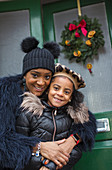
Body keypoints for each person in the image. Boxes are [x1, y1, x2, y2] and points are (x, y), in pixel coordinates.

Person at [0, 37, 80, 170]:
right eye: (35, 75)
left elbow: (85, 120)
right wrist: (38, 147)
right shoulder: (6, 93)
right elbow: (3, 140)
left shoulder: (53, 93)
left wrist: (72, 141)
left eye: (47, 77)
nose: (41, 82)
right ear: (25, 75)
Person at [16, 63, 97, 170]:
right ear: (48, 89)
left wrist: (50, 167)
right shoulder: (29, 112)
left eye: (66, 92)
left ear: (70, 98)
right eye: (56, 88)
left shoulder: (72, 117)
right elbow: (19, 145)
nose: (60, 94)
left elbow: (75, 152)